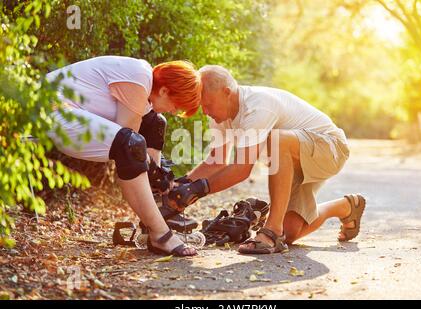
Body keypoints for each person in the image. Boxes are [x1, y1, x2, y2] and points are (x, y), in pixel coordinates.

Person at [168, 65, 366, 254]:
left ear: (227, 92)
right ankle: (345, 207)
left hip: (330, 148)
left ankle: (271, 230)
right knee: (290, 233)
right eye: (203, 106)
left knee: (277, 139)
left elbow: (242, 169)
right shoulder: (220, 115)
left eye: (208, 105)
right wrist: (181, 185)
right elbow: (217, 161)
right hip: (293, 162)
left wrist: (196, 190)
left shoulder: (257, 106)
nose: (206, 112)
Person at [46, 56, 201, 256]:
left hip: (70, 111)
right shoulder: (139, 77)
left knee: (155, 123)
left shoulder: (144, 85)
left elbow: (139, 139)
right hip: (49, 111)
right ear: (164, 91)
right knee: (130, 145)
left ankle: (159, 213)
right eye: (176, 106)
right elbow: (130, 143)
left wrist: (160, 175)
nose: (174, 111)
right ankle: (160, 233)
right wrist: (156, 173)